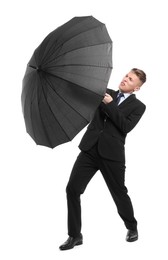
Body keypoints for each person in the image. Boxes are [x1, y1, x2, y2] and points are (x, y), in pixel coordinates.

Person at [59, 68, 146, 250]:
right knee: (72, 189)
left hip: (112, 156)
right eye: (126, 76)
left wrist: (110, 104)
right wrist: (67, 80)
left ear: (136, 88)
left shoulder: (139, 107)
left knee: (119, 193)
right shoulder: (105, 92)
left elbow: (125, 127)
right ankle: (75, 235)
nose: (125, 80)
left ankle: (132, 227)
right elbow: (83, 92)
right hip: (89, 150)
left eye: (130, 80)